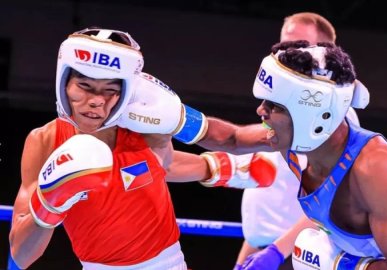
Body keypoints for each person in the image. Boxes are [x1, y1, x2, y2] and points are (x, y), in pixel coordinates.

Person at [8, 27, 277, 270]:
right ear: (64, 82)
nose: (95, 102)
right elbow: (21, 255)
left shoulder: (146, 120)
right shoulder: (44, 141)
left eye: (109, 91)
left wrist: (284, 133)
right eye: (85, 86)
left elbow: (219, 141)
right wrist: (52, 200)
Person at [232, 40, 387, 269]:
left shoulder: (372, 162)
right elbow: (232, 138)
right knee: (310, 248)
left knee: (312, 251)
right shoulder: (292, 139)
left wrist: (342, 266)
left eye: (275, 105)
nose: (261, 111)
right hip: (351, 250)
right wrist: (190, 122)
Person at [231, 12, 362, 270]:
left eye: (298, 45)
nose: (287, 53)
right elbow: (266, 200)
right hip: (261, 250)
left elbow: (331, 198)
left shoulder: (336, 115)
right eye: (284, 44)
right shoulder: (277, 107)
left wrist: (277, 253)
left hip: (303, 253)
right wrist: (248, 256)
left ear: (326, 51)